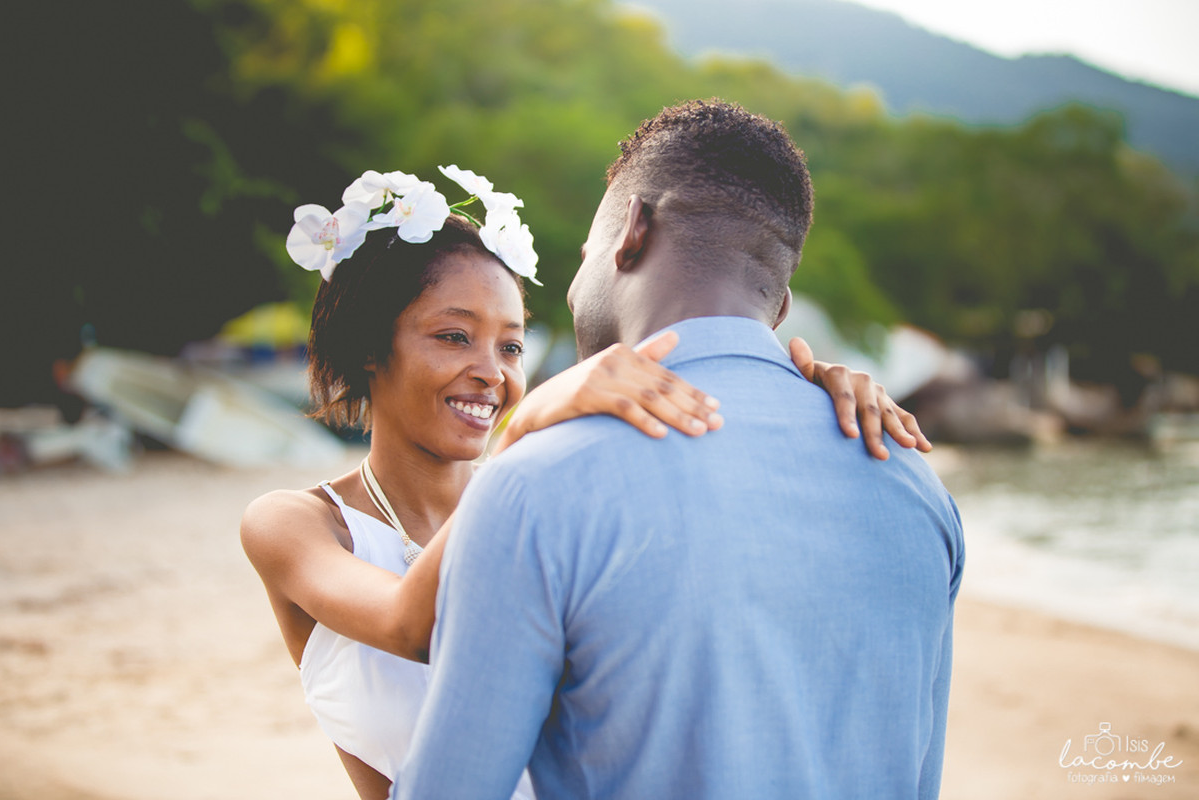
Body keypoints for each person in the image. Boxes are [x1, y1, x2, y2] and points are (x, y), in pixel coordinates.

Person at [241, 164, 928, 800]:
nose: (494, 372)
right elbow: (411, 624)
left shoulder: (558, 503)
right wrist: (524, 429)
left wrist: (805, 402)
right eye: (454, 337)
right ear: (369, 347)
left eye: (511, 346)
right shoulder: (295, 524)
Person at [394, 101, 964, 800]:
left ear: (631, 231)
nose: (574, 289)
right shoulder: (915, 485)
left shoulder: (535, 485)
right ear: (780, 307)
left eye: (583, 257)